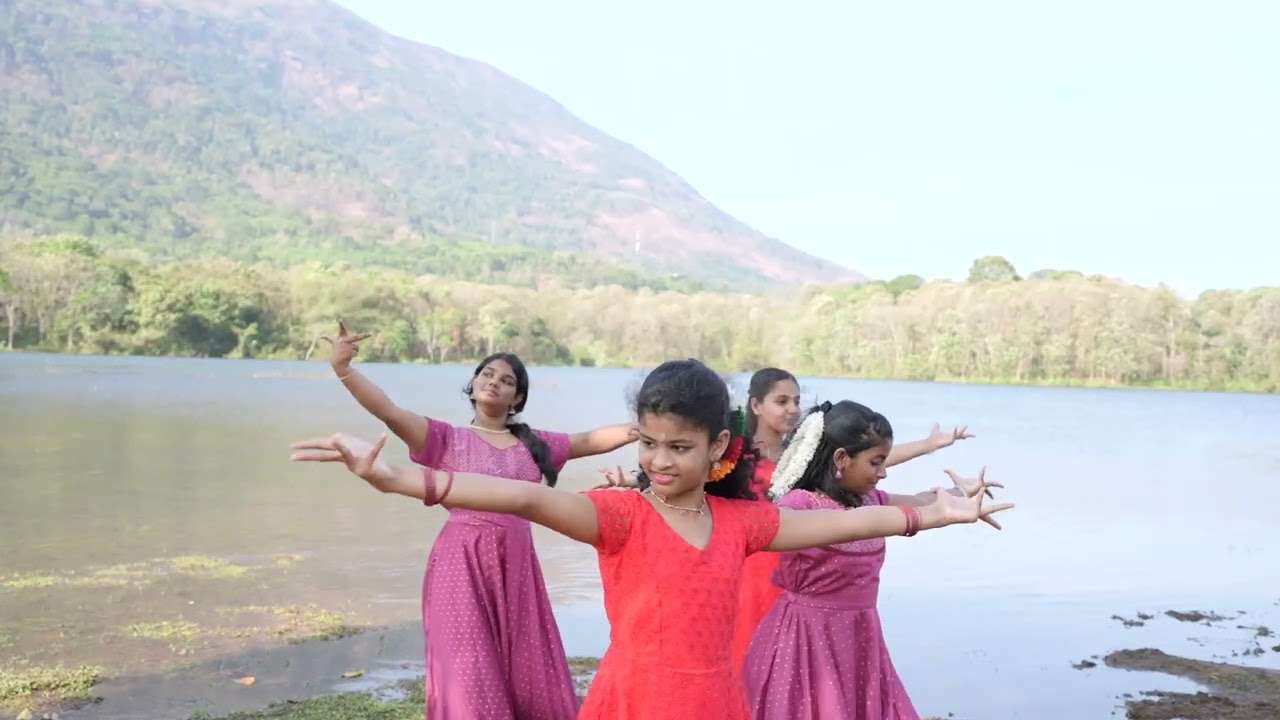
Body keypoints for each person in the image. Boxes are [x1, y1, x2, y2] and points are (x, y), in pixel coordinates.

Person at [292, 358, 1013, 720]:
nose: (661, 462)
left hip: (716, 703)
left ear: (719, 448)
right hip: (630, 700)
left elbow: (847, 520)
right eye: (650, 444)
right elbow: (521, 495)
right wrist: (397, 480)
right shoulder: (619, 516)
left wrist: (931, 514)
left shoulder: (742, 523)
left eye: (679, 447)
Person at [322, 321, 637, 720]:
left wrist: (643, 430)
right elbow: (388, 410)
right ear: (472, 384)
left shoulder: (534, 444)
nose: (494, 382)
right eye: (487, 374)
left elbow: (588, 441)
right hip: (460, 566)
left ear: (516, 397)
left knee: (527, 673)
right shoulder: (444, 438)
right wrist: (344, 370)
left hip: (517, 570)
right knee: (469, 673)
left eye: (506, 380)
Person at [742, 400, 1003, 719]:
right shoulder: (800, 504)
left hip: (860, 636)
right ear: (841, 458)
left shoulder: (868, 499)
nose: (883, 472)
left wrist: (960, 492)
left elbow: (922, 501)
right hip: (807, 640)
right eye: (876, 462)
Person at [730, 368, 976, 668]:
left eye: (796, 401)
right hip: (763, 567)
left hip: (811, 571)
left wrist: (927, 447)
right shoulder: (738, 462)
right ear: (756, 405)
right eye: (782, 401)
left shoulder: (806, 456)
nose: (792, 409)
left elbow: (864, 462)